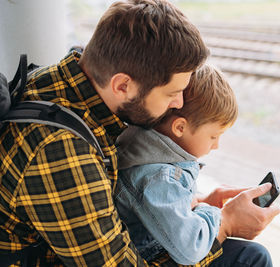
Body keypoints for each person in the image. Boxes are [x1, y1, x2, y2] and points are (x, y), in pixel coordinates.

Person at [0, 0, 210, 265]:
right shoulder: (62, 153)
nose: (178, 103)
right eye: (172, 93)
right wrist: (222, 230)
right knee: (247, 257)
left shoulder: (56, 82)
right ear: (122, 85)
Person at [115, 64, 279, 267]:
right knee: (253, 258)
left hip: (157, 243)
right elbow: (190, 248)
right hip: (150, 253)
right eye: (213, 136)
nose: (217, 145)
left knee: (253, 255)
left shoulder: (149, 150)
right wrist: (223, 218)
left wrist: (200, 201)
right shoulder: (159, 177)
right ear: (180, 127)